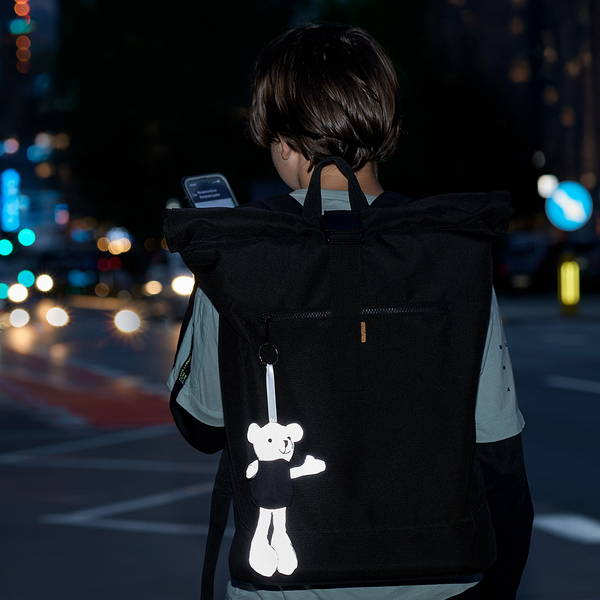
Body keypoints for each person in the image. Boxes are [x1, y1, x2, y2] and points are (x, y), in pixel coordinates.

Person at [168, 23, 533, 600]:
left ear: (282, 142)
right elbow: (499, 457)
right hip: (440, 582)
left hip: (286, 587)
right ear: (386, 130)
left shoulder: (240, 256)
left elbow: (203, 425)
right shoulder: (451, 251)